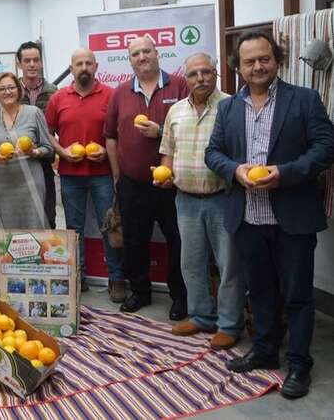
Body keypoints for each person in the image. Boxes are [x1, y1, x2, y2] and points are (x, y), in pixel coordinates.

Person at [205, 31, 334, 399]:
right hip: (247, 217)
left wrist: (285, 174)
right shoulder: (229, 108)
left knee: (296, 295)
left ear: (276, 60)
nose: (258, 66)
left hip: (292, 216)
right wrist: (235, 170)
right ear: (238, 67)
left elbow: (326, 147)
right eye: (249, 61)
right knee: (259, 290)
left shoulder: (304, 100)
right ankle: (264, 351)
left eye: (264, 58)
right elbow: (214, 153)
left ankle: (299, 364)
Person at [157, 52, 244, 350]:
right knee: (191, 263)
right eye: (193, 74)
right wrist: (164, 173)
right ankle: (202, 316)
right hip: (185, 199)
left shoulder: (232, 106)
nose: (200, 78)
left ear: (216, 73)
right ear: (186, 77)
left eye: (206, 72)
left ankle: (230, 324)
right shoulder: (176, 111)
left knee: (228, 264)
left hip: (223, 198)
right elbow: (167, 151)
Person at [104, 36, 188, 320]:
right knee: (135, 241)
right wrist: (117, 174)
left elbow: (191, 131)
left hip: (173, 184)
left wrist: (162, 131)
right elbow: (110, 137)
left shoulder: (180, 85)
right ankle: (140, 291)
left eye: (146, 51)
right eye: (135, 53)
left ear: (157, 53)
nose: (142, 57)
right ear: (130, 60)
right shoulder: (120, 93)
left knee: (178, 240)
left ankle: (179, 296)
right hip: (132, 183)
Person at [45, 48, 123, 299]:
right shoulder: (58, 98)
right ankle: (78, 277)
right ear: (71, 68)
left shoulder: (111, 95)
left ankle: (117, 278)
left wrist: (107, 149)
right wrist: (62, 152)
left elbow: (120, 131)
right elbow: (47, 133)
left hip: (102, 173)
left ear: (96, 67)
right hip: (70, 174)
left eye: (89, 63)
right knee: (74, 228)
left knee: (109, 226)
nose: (84, 68)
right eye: (79, 63)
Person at [0, 72, 53, 228]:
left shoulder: (33, 113)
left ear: (18, 89)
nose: (7, 92)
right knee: (9, 232)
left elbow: (48, 148)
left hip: (31, 182)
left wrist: (34, 152)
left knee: (35, 229)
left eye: (11, 87)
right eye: (2, 89)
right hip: (3, 184)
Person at [17, 41, 58, 229]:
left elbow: (59, 126)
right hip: (18, 163)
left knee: (47, 215)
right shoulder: (11, 91)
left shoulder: (53, 92)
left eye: (36, 60)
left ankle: (49, 257)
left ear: (41, 63)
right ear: (20, 64)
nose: (32, 64)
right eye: (27, 61)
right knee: (22, 217)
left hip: (44, 162)